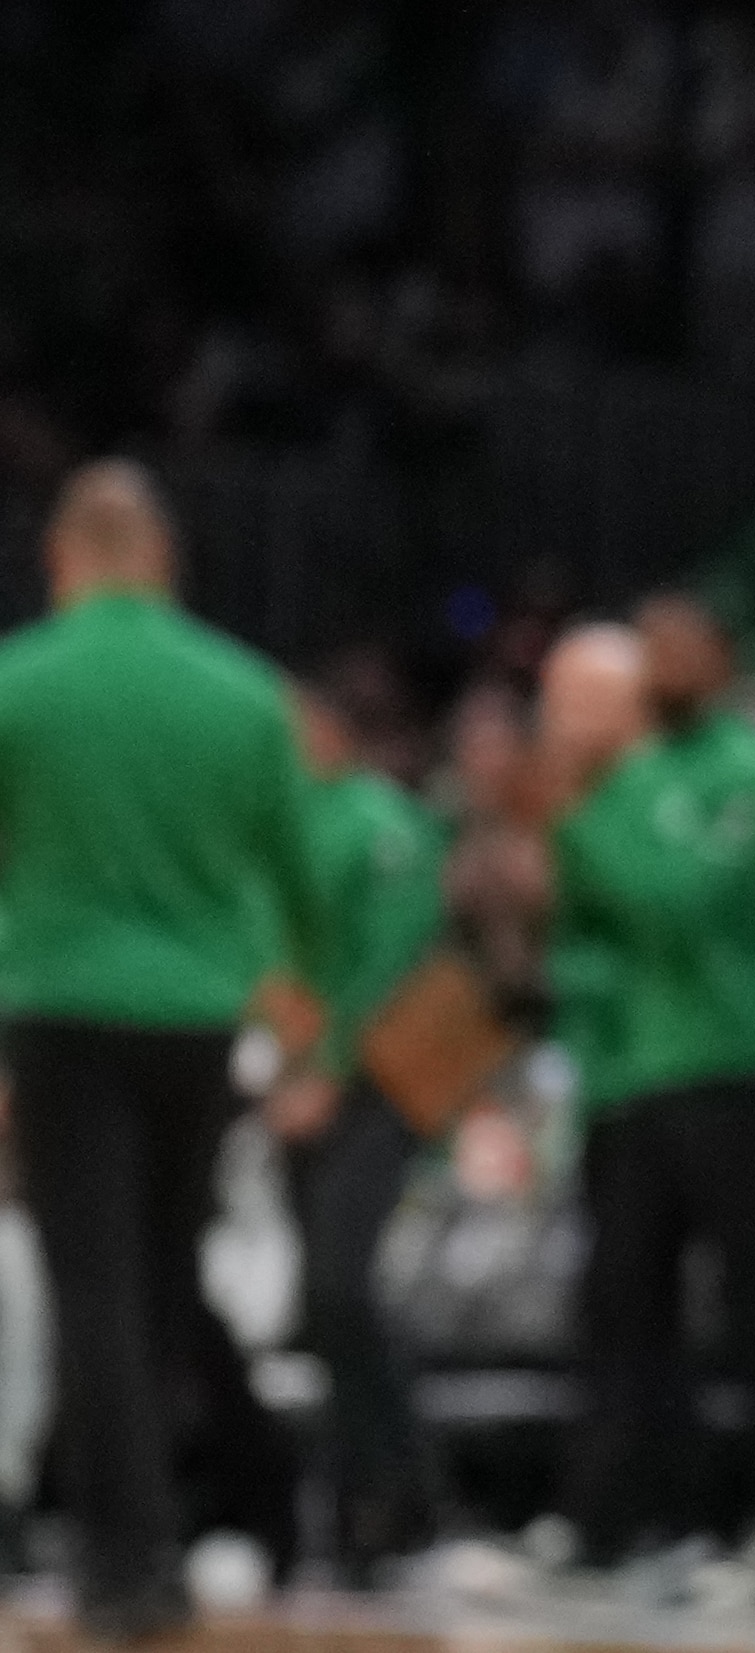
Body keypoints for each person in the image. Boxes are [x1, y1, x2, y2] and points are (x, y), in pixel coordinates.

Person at [0, 464, 317, 1640]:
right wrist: (307, 996)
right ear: (168, 565)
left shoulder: (18, 685)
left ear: (62, 562)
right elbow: (299, 869)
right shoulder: (244, 694)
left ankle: (125, 1567)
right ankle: (226, 1512)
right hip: (200, 1021)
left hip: (62, 1009)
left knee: (92, 1291)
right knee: (167, 1282)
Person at [543, 601, 755, 1590]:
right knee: (629, 1307)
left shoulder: (745, 770)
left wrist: (596, 813)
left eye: (678, 651)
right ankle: (643, 1523)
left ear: (718, 661)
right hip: (644, 1076)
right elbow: (581, 936)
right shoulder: (638, 779)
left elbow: (682, 903)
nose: (665, 668)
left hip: (740, 1067)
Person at [275, 680, 457, 1578]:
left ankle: (413, 1498)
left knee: (344, 1283)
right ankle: (357, 1512)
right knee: (319, 1297)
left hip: (388, 1079)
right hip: (300, 1081)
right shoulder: (276, 827)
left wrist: (326, 1067)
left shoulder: (380, 820)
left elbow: (392, 963)